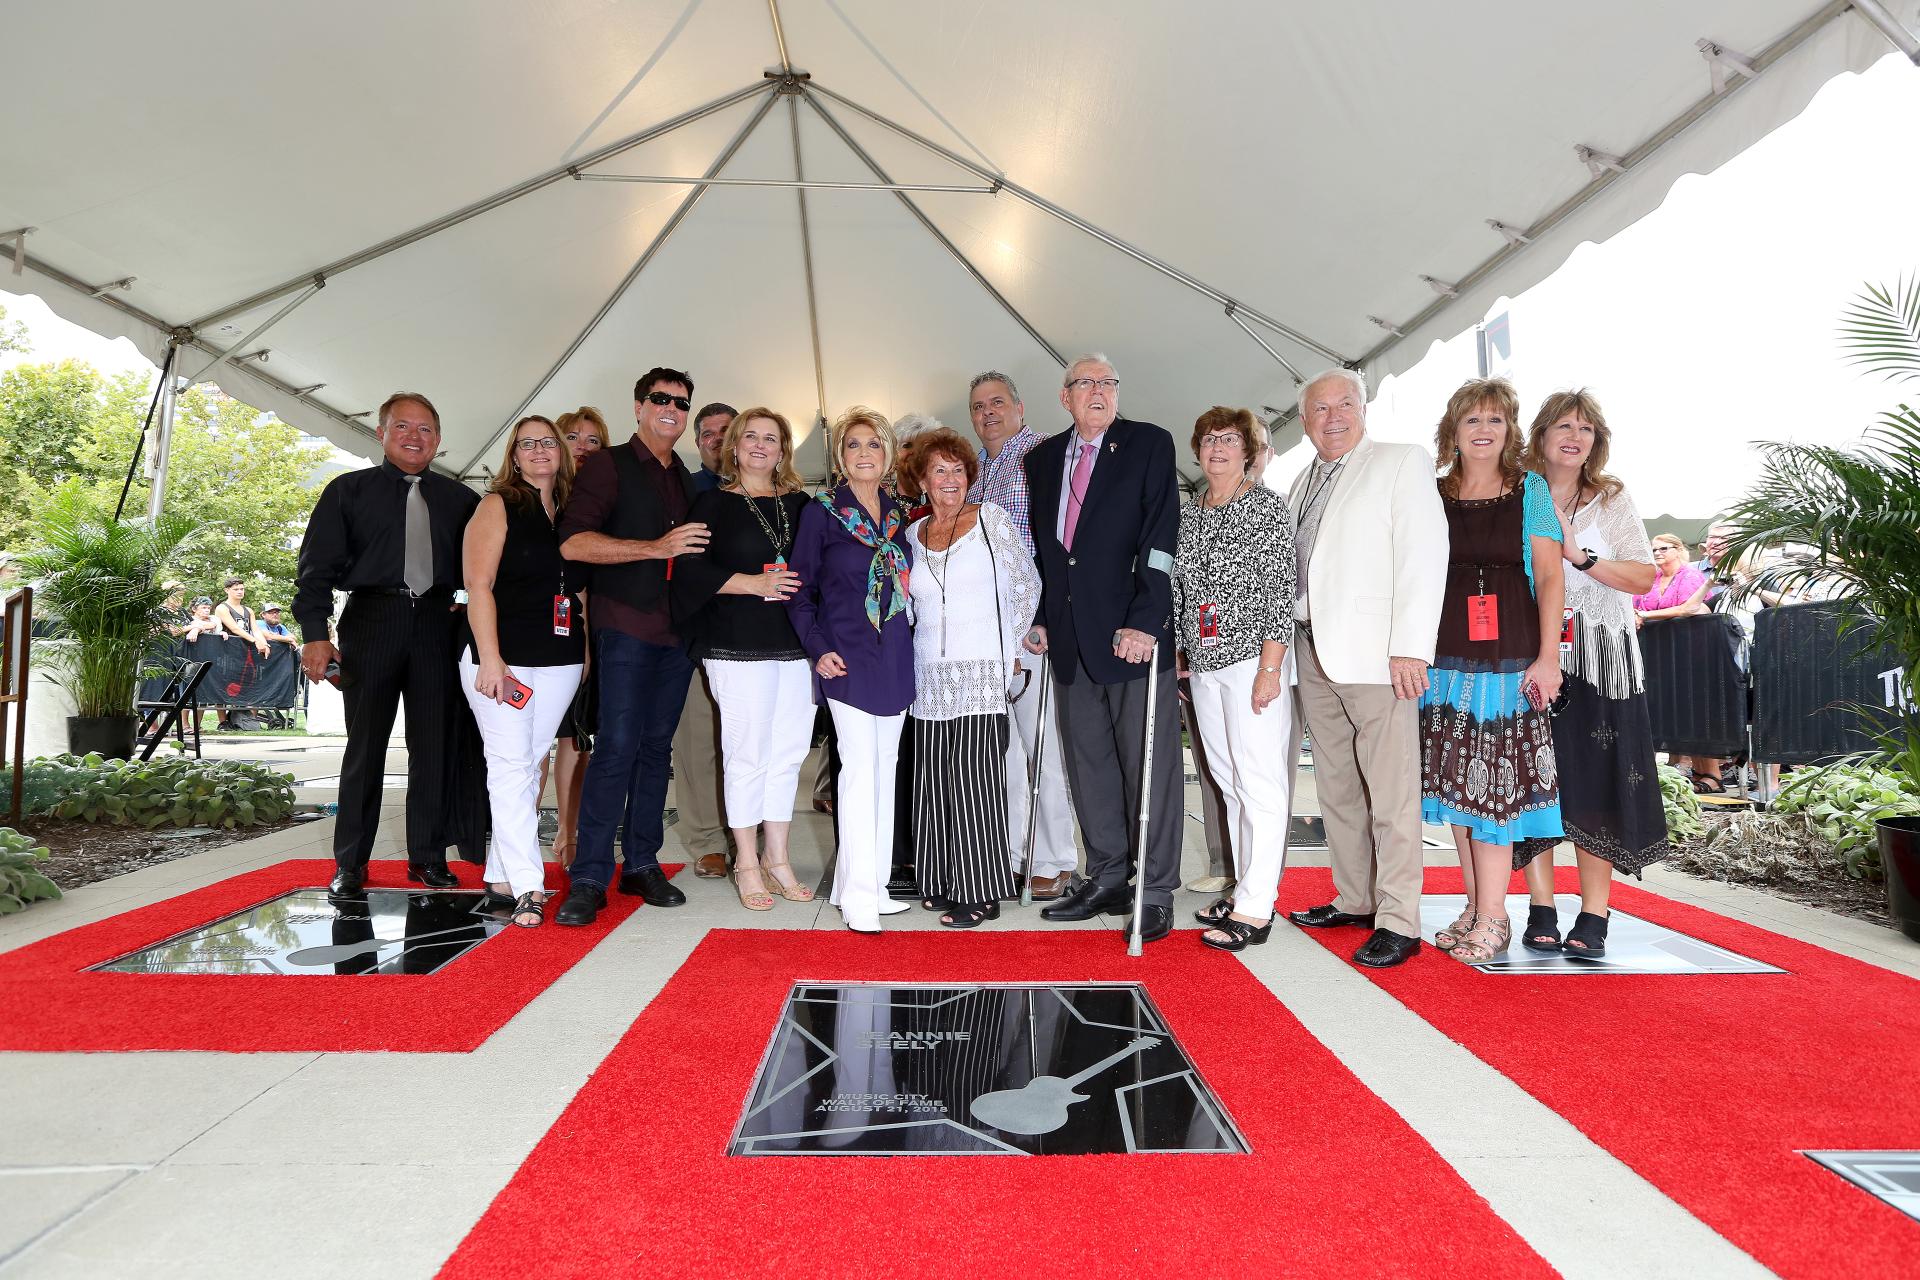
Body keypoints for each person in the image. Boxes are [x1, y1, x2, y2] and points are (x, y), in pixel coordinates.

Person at [1283, 368, 1448, 969]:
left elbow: (1424, 557)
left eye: (1344, 404)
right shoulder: (1301, 479)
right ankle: (1354, 898)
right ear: (1304, 422)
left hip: (1379, 654)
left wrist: (1411, 646)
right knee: (1336, 787)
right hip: (1311, 649)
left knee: (1392, 790)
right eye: (1319, 409)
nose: (1333, 417)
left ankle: (1400, 918)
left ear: (1362, 409)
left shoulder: (1402, 461)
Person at [295, 391, 481, 896]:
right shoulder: (347, 491)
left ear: (439, 440)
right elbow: (314, 571)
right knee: (365, 747)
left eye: (425, 429)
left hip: (439, 627)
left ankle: (427, 857)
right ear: (381, 433)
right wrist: (315, 634)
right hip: (371, 621)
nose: (414, 437)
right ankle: (350, 862)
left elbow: (485, 569)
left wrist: (471, 609)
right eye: (402, 427)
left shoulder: (462, 501)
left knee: (435, 747)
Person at [1022, 354, 1181, 944]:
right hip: (1068, 641)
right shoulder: (1041, 460)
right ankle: (1108, 875)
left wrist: (1146, 619)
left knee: (1149, 766)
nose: (1098, 391)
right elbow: (1046, 553)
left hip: (1130, 637)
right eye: (1086, 383)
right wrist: (1039, 618)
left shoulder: (1147, 444)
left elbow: (1161, 539)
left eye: (1108, 382)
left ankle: (1156, 889)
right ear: (1064, 397)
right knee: (1087, 765)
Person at [1419, 378, 1566, 964]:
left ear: (1510, 431)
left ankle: (1498, 915)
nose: (1484, 430)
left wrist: (1548, 656)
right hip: (1445, 662)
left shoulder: (1529, 489)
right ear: (1452, 430)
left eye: (1496, 420)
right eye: (1472, 420)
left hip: (1510, 661)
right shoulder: (1433, 493)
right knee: (1457, 789)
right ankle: (1476, 904)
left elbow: (1551, 577)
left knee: (1496, 793)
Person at [552, 367, 705, 925]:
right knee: (615, 748)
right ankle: (589, 875)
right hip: (625, 626)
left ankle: (641, 863)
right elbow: (574, 541)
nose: (672, 409)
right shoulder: (609, 466)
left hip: (676, 634)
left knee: (655, 750)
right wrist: (654, 547)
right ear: (639, 406)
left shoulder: (687, 479)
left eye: (681, 403)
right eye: (661, 400)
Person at [1518, 390, 1667, 957]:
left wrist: (1580, 557)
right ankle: (1540, 906)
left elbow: (1642, 578)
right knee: (1531, 780)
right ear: (1541, 434)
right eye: (1562, 425)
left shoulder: (1611, 497)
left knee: (1598, 781)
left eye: (1584, 428)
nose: (1573, 436)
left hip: (1602, 661)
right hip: (1533, 654)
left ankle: (1595, 915)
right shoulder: (1520, 492)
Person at [672, 408, 813, 911]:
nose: (759, 445)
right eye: (750, 436)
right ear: (733, 446)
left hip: (795, 644)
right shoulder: (709, 502)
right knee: (747, 752)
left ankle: (779, 858)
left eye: (770, 438)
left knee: (789, 751)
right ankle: (747, 862)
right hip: (735, 643)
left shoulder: (802, 504)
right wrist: (752, 584)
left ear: (783, 450)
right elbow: (688, 570)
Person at [785, 406, 915, 933]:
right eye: (854, 445)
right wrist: (817, 649)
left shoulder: (902, 515)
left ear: (887, 455)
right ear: (840, 455)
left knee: (884, 772)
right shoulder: (823, 512)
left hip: (896, 656)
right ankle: (858, 894)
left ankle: (869, 883)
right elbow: (799, 592)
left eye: (874, 445)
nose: (865, 454)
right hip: (845, 658)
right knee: (859, 773)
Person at [902, 427, 1039, 927]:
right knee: (934, 781)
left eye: (959, 470)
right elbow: (911, 604)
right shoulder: (913, 536)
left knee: (977, 781)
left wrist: (1011, 645)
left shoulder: (991, 520)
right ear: (921, 479)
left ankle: (980, 889)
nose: (951, 479)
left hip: (982, 669)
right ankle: (939, 879)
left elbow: (1027, 581)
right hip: (928, 675)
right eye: (939, 470)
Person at [1172, 407, 1296, 951]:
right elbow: (1182, 587)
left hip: (1251, 661)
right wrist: (1183, 648)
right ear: (1197, 450)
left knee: (1260, 781)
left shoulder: (1265, 508)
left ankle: (1256, 906)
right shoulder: (1190, 512)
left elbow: (1278, 591)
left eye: (1229, 440)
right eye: (1209, 439)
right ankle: (1244, 885)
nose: (1218, 448)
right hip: (1204, 662)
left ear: (1249, 451)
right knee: (1227, 782)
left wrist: (1271, 668)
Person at [457, 416, 586, 928]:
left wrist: (587, 656)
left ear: (561, 452)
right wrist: (490, 658)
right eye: (527, 443)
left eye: (547, 442)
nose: (538, 450)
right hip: (502, 659)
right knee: (510, 765)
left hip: (560, 659)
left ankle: (500, 874)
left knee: (528, 763)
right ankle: (531, 885)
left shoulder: (572, 511)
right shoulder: (497, 505)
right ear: (513, 454)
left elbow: (578, 594)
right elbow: (478, 585)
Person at [965, 370, 1076, 898]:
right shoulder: (978, 469)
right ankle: (1014, 852)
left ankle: (1054, 857)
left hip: (1032, 630)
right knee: (1005, 753)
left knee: (1043, 749)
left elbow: (1057, 545)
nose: (987, 413)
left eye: (997, 402)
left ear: (1021, 407)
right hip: (988, 636)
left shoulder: (1044, 455)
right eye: (978, 407)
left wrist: (1046, 617)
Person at [670, 400, 742, 877]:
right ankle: (706, 840)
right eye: (708, 434)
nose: (717, 440)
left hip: (752, 637)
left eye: (726, 431)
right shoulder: (682, 490)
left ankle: (747, 834)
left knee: (746, 741)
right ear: (698, 444)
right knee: (697, 739)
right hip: (695, 632)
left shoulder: (770, 490)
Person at [546, 406, 607, 866]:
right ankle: (526, 834)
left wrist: (585, 641)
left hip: (586, 625)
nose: (583, 447)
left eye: (593, 440)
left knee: (576, 738)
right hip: (533, 629)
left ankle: (568, 834)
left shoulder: (601, 503)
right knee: (530, 744)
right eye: (573, 437)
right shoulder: (540, 496)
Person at [1633, 534, 1708, 623]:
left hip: (1685, 632)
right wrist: (1636, 616)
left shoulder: (1690, 575)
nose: (1657, 553)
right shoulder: (1649, 579)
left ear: (1678, 550)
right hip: (1650, 634)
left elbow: (1687, 609)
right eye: (1653, 550)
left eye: (1663, 549)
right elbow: (1634, 607)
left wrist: (1645, 615)